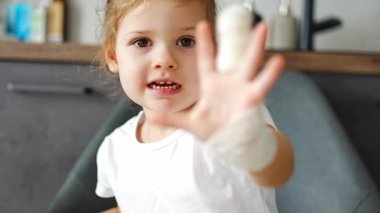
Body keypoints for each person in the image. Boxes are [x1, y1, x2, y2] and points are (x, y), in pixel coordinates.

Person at [96, 0, 294, 212]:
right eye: (142, 42)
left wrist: (250, 144)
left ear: (214, 51)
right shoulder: (115, 149)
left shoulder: (225, 123)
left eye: (186, 42)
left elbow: (278, 171)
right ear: (113, 56)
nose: (164, 59)